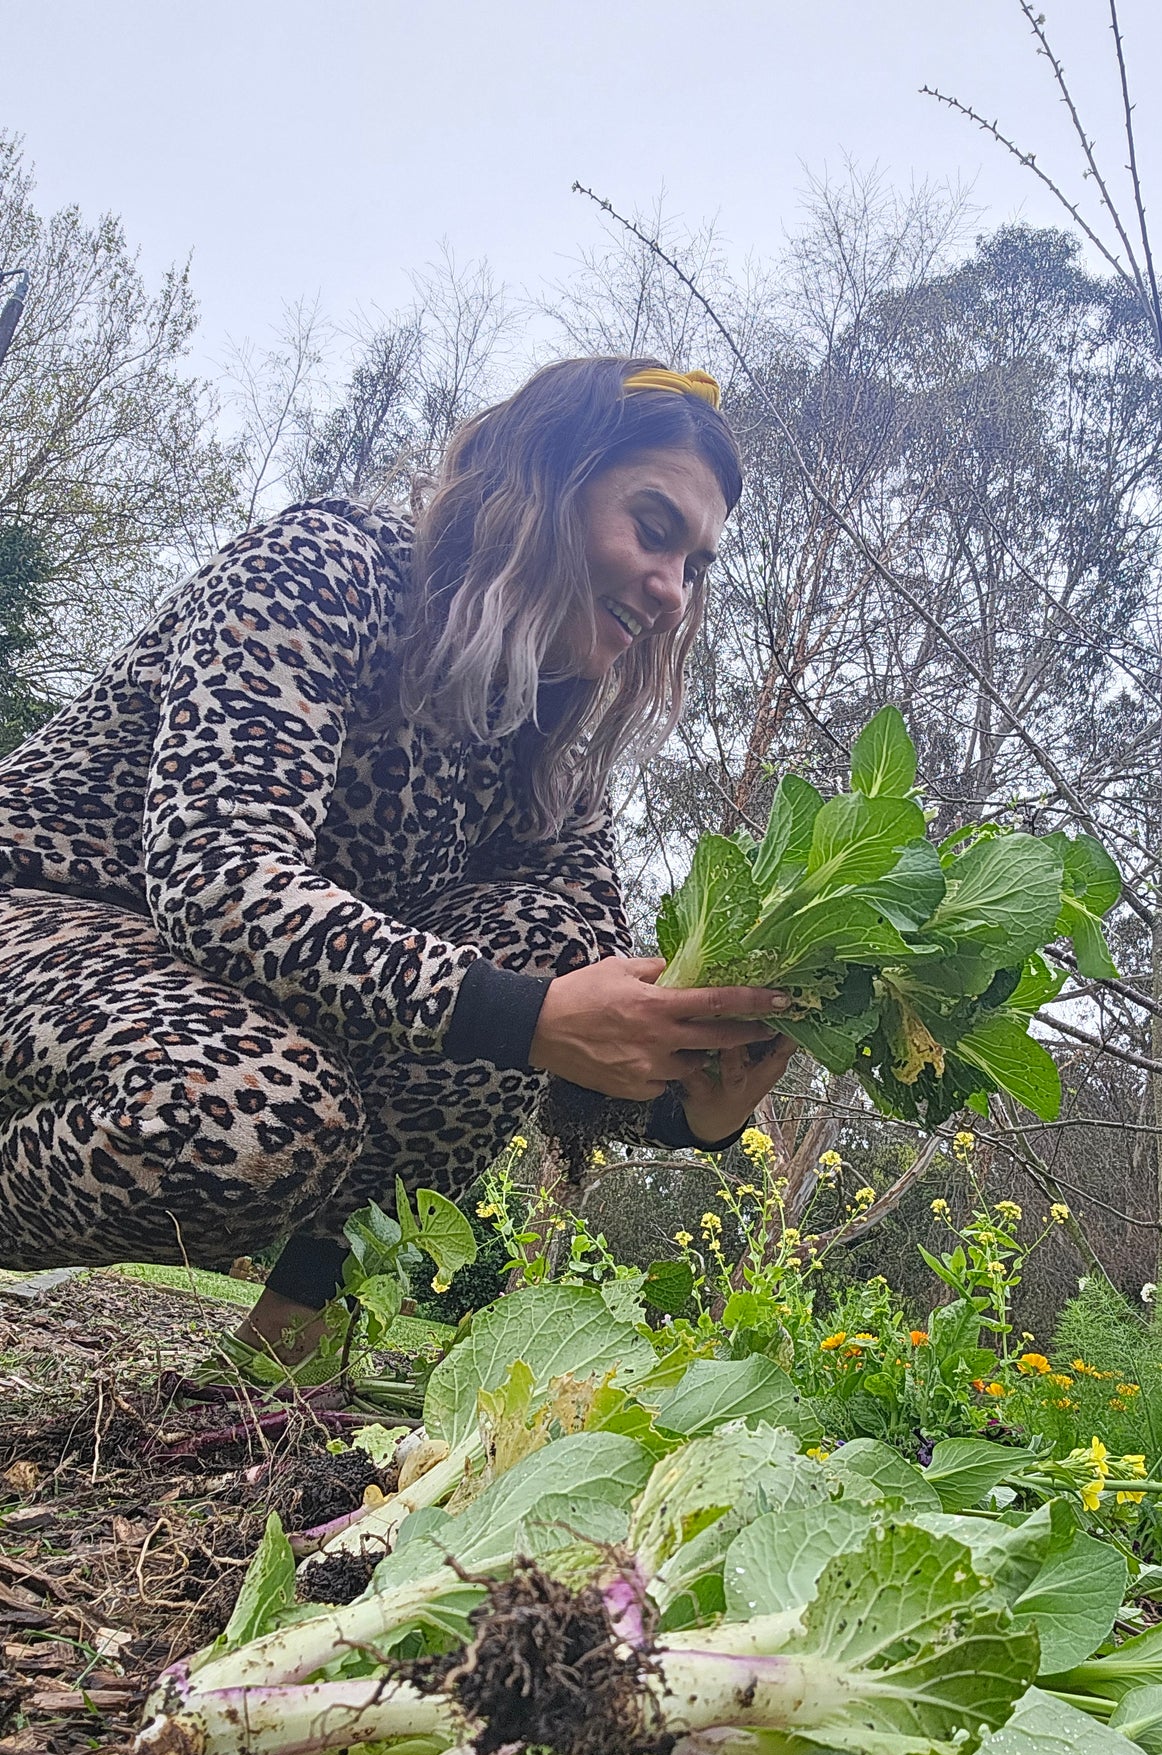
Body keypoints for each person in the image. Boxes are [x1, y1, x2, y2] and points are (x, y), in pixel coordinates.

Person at [0, 357, 793, 1369]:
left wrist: (695, 1108)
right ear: (547, 483)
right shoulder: (327, 569)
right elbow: (218, 875)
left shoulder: (548, 744)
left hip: (205, 993)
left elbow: (573, 1017)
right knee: (255, 1114)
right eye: (652, 527)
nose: (674, 591)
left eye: (696, 565)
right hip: (43, 912)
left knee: (553, 939)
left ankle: (289, 1340)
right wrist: (525, 1012)